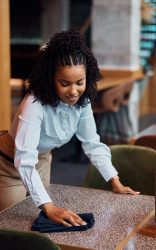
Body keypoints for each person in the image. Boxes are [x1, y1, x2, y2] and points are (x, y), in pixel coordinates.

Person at [0, 29, 139, 226]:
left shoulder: (82, 102)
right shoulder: (34, 104)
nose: (73, 91)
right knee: (14, 226)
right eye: (64, 83)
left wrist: (115, 182)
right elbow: (24, 161)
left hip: (42, 160)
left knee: (38, 223)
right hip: (8, 165)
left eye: (79, 83)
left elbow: (92, 144)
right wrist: (49, 206)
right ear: (51, 79)